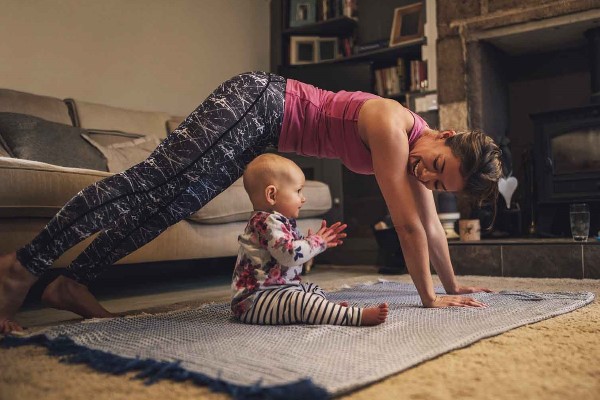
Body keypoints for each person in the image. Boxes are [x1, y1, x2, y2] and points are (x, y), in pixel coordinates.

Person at [0, 71, 501, 333]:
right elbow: (409, 226)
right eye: (436, 166)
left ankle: (70, 283)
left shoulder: (419, 150)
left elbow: (433, 227)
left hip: (261, 130)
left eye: (439, 184)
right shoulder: (395, 127)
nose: (426, 176)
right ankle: (22, 267)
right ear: (445, 135)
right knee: (152, 182)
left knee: (170, 205)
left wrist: (454, 286)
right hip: (259, 101)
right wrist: (430, 298)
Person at [231, 153, 388, 326]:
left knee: (312, 289)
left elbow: (290, 254)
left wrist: (313, 242)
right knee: (300, 301)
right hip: (255, 302)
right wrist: (317, 242)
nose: (303, 198)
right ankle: (353, 316)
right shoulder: (267, 222)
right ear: (272, 195)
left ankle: (325, 311)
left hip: (278, 292)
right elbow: (289, 254)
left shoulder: (277, 222)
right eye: (298, 191)